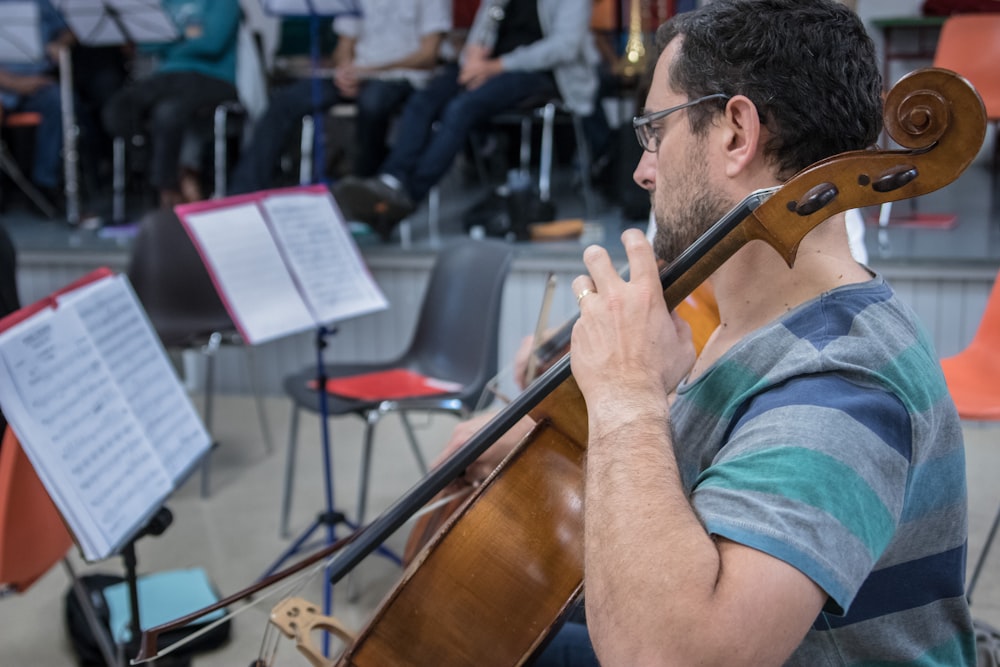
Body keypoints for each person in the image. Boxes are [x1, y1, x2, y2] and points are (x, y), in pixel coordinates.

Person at [444, 1, 976, 664]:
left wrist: (626, 396)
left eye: (654, 133)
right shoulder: (761, 323)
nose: (643, 170)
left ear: (735, 133)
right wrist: (553, 446)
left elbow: (669, 656)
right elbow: (710, 480)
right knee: (484, 620)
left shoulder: (839, 383)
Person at [333, 0, 601, 239]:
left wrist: (497, 66)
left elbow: (565, 47)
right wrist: (471, 57)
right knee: (425, 99)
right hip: (486, 69)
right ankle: (392, 181)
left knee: (461, 108)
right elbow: (479, 35)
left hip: (541, 74)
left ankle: (407, 197)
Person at [229, 0, 452, 196]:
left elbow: (428, 55)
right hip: (359, 74)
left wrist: (370, 70)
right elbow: (343, 47)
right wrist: (345, 70)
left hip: (402, 76)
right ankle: (243, 190)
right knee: (285, 101)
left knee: (373, 103)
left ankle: (369, 184)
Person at [101, 0, 240, 209]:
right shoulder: (168, 3)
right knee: (119, 109)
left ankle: (167, 189)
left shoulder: (223, 3)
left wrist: (170, 42)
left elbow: (212, 44)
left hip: (213, 79)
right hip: (168, 79)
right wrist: (187, 37)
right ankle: (164, 175)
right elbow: (146, 44)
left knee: (166, 110)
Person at [0, 0, 75, 206]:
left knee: (59, 101)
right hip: (4, 82)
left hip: (37, 80)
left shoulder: (39, 2)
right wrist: (14, 83)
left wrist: (58, 44)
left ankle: (45, 184)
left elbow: (67, 30)